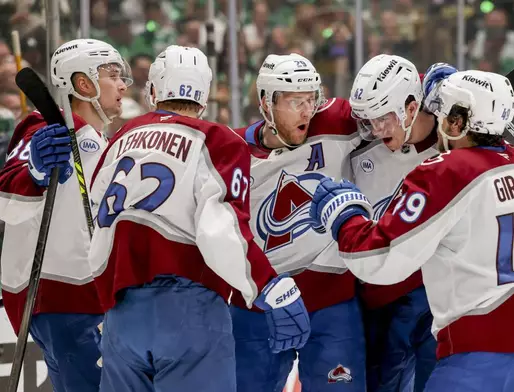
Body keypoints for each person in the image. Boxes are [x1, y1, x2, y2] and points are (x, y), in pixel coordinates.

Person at [310, 70, 514, 391]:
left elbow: (378, 257)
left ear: (456, 122)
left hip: (483, 348)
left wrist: (345, 215)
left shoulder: (445, 171)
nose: (438, 121)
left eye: (443, 115)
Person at [88, 45, 311, 392]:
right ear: (204, 95)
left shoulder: (119, 139)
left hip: (122, 313)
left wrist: (106, 304)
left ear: (153, 92)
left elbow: (95, 219)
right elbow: (219, 227)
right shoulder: (216, 139)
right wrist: (268, 284)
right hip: (189, 311)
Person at [0, 38, 131, 392]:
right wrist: (36, 172)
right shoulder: (44, 128)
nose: (122, 85)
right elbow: (5, 200)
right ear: (83, 83)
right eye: (112, 75)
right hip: (59, 297)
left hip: (88, 297)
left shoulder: (105, 142)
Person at [232, 53, 365, 391]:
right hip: (258, 308)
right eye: (295, 102)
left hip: (330, 305)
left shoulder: (334, 123)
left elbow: (388, 97)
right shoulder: (231, 150)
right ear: (265, 102)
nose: (308, 111)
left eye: (311, 99)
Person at [348, 55, 457, 391]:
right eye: (368, 122)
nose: (375, 131)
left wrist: (459, 93)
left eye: (383, 119)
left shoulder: (452, 146)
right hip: (378, 302)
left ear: (411, 108)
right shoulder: (359, 150)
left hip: (436, 299)